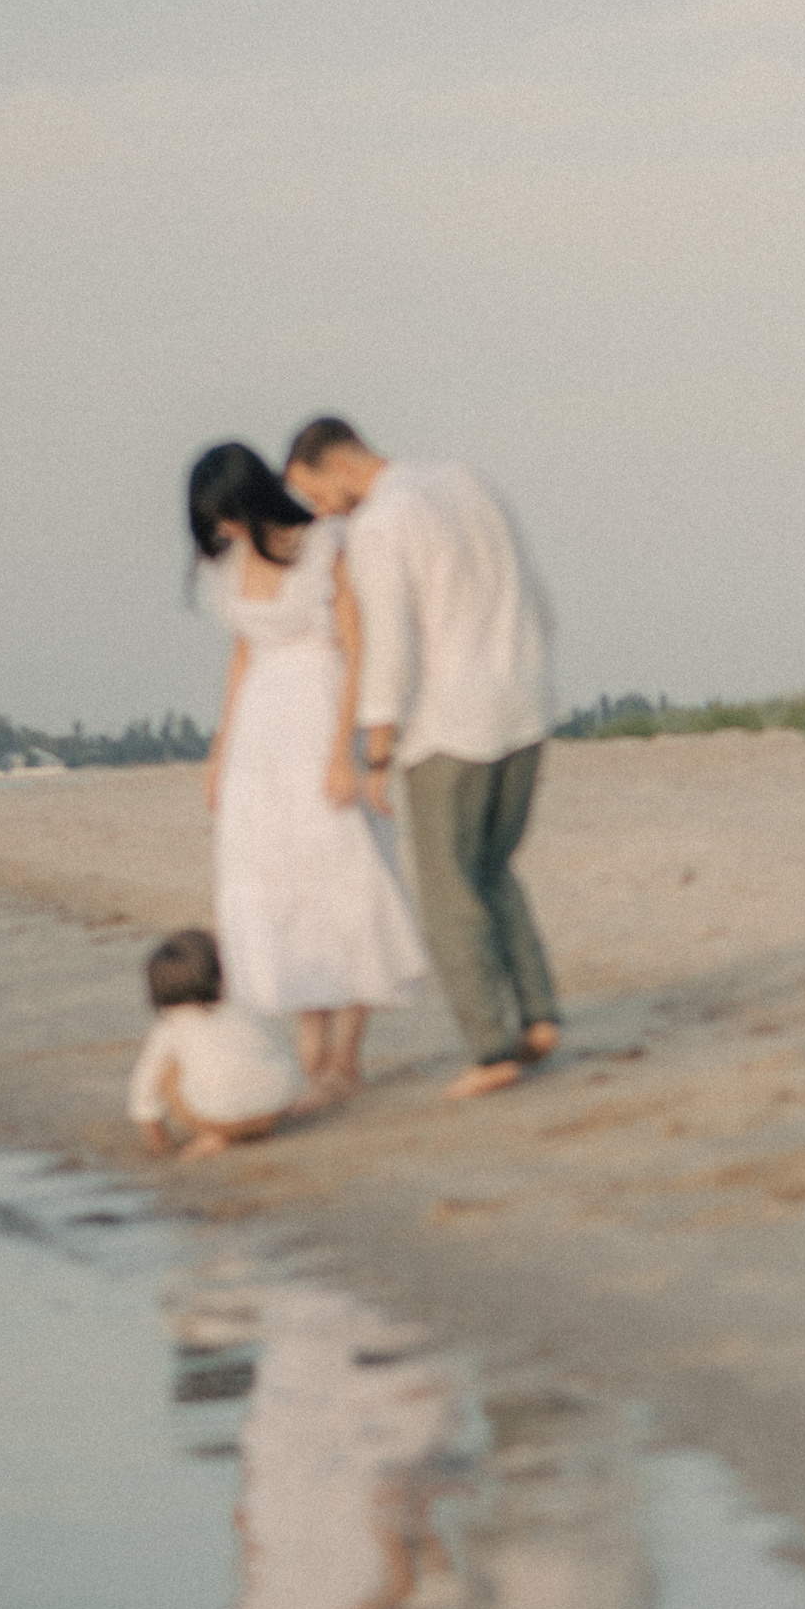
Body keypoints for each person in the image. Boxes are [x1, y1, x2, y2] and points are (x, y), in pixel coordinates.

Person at [282, 417, 560, 1100]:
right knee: (494, 868)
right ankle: (539, 1015)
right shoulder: (468, 480)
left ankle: (491, 1048)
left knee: (447, 888)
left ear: (338, 465)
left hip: (449, 721)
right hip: (524, 702)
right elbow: (533, 593)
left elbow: (391, 641)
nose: (319, 512)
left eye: (314, 494)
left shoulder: (379, 524)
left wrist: (378, 747)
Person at [186, 438, 427, 1100]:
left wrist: (344, 752)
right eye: (213, 522)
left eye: (227, 514)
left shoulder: (326, 544)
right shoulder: (231, 563)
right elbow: (242, 657)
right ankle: (310, 1050)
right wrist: (219, 752)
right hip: (260, 732)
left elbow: (356, 645)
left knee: (345, 873)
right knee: (274, 883)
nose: (223, 530)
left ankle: (347, 1055)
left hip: (323, 709)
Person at [127, 927, 302, 1160]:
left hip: (217, 1117)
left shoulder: (171, 1025)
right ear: (219, 974)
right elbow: (282, 1048)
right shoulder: (245, 1008)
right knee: (250, 1056)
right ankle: (255, 1130)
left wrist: (156, 1138)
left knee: (168, 1070)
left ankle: (214, 1134)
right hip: (276, 1107)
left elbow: (145, 1084)